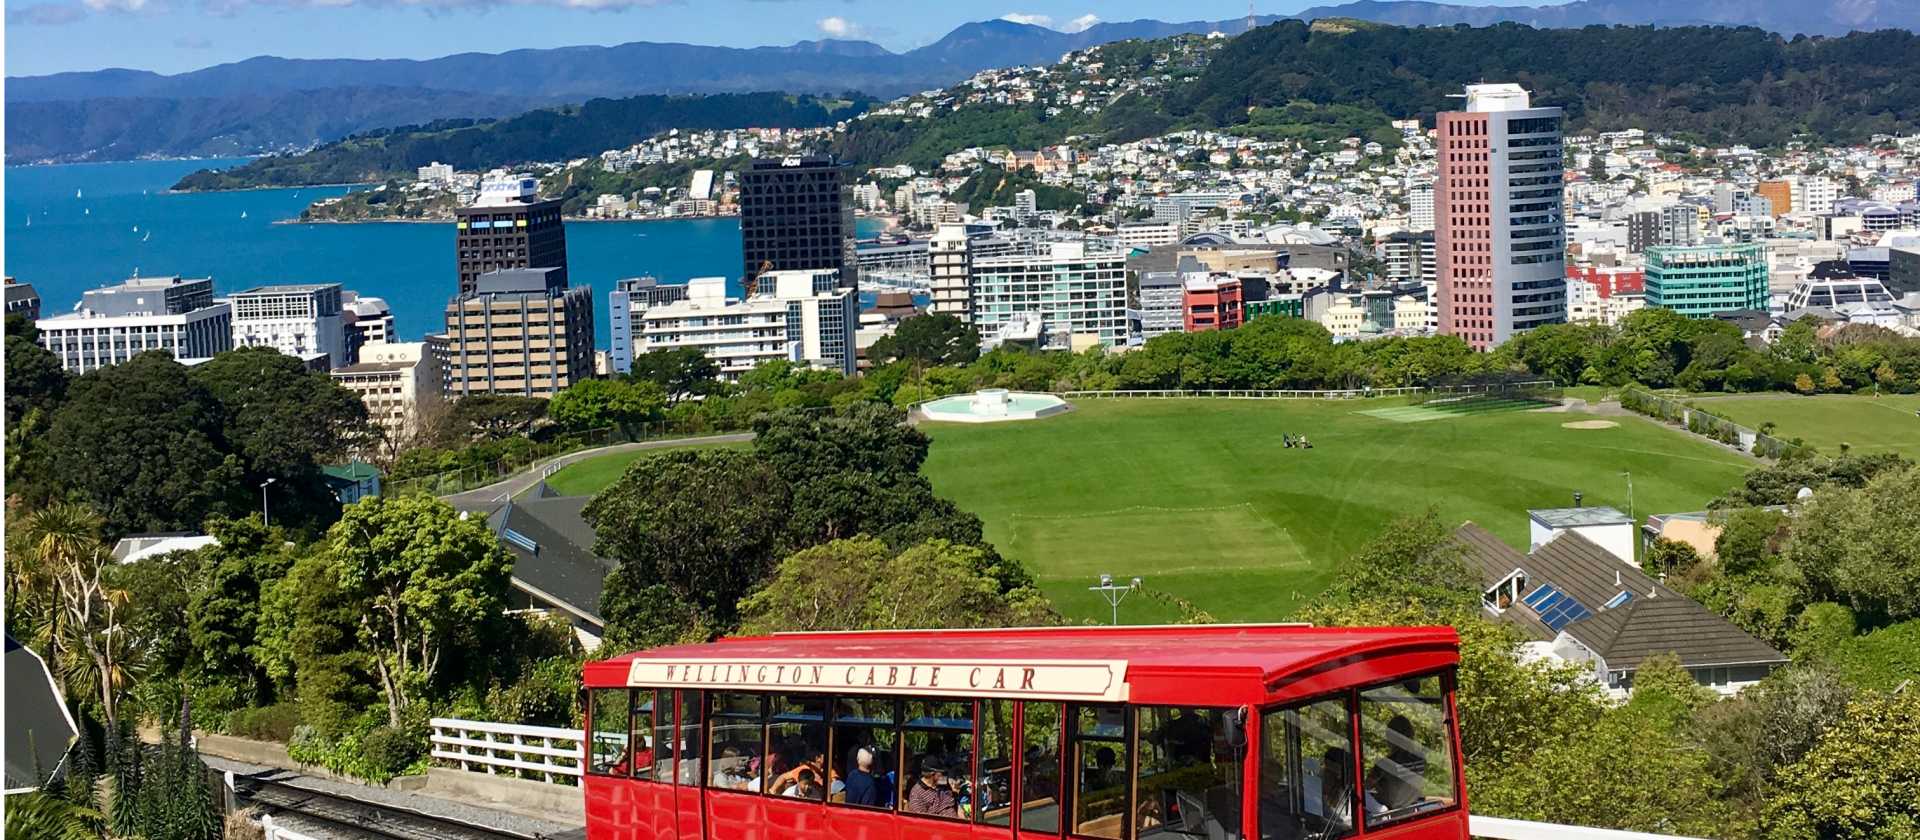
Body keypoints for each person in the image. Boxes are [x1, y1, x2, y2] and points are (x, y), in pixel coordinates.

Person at [1368, 716, 1427, 811]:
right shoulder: (1421, 758)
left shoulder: (1386, 763)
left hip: (1393, 812)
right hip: (1415, 808)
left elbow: (1367, 785)